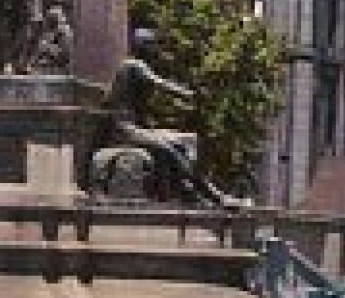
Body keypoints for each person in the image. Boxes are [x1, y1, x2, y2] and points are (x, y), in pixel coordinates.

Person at [99, 29, 244, 208]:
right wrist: (188, 94)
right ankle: (212, 196)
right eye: (151, 45)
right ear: (142, 46)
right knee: (168, 149)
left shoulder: (137, 66)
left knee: (188, 141)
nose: (155, 50)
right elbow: (158, 83)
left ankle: (196, 191)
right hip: (124, 130)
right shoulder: (132, 65)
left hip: (137, 128)